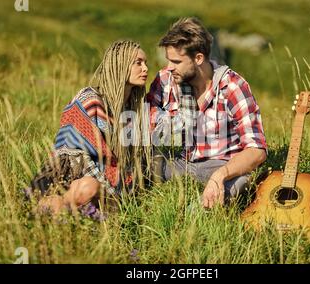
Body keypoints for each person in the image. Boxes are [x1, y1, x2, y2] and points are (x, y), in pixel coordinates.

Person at [147, 17, 267, 209]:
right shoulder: (165, 80)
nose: (169, 67)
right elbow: (147, 122)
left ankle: (193, 219)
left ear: (199, 58)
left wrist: (219, 175)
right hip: (181, 164)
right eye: (169, 60)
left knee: (235, 186)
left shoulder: (233, 86)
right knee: (137, 169)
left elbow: (257, 151)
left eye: (176, 61)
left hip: (223, 167)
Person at [25, 40, 149, 220]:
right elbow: (72, 154)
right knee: (87, 188)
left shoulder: (134, 110)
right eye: (138, 63)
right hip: (70, 178)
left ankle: (78, 217)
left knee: (100, 195)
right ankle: (48, 211)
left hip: (113, 190)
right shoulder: (90, 100)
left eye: (145, 63)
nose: (145, 68)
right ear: (120, 64)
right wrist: (106, 182)